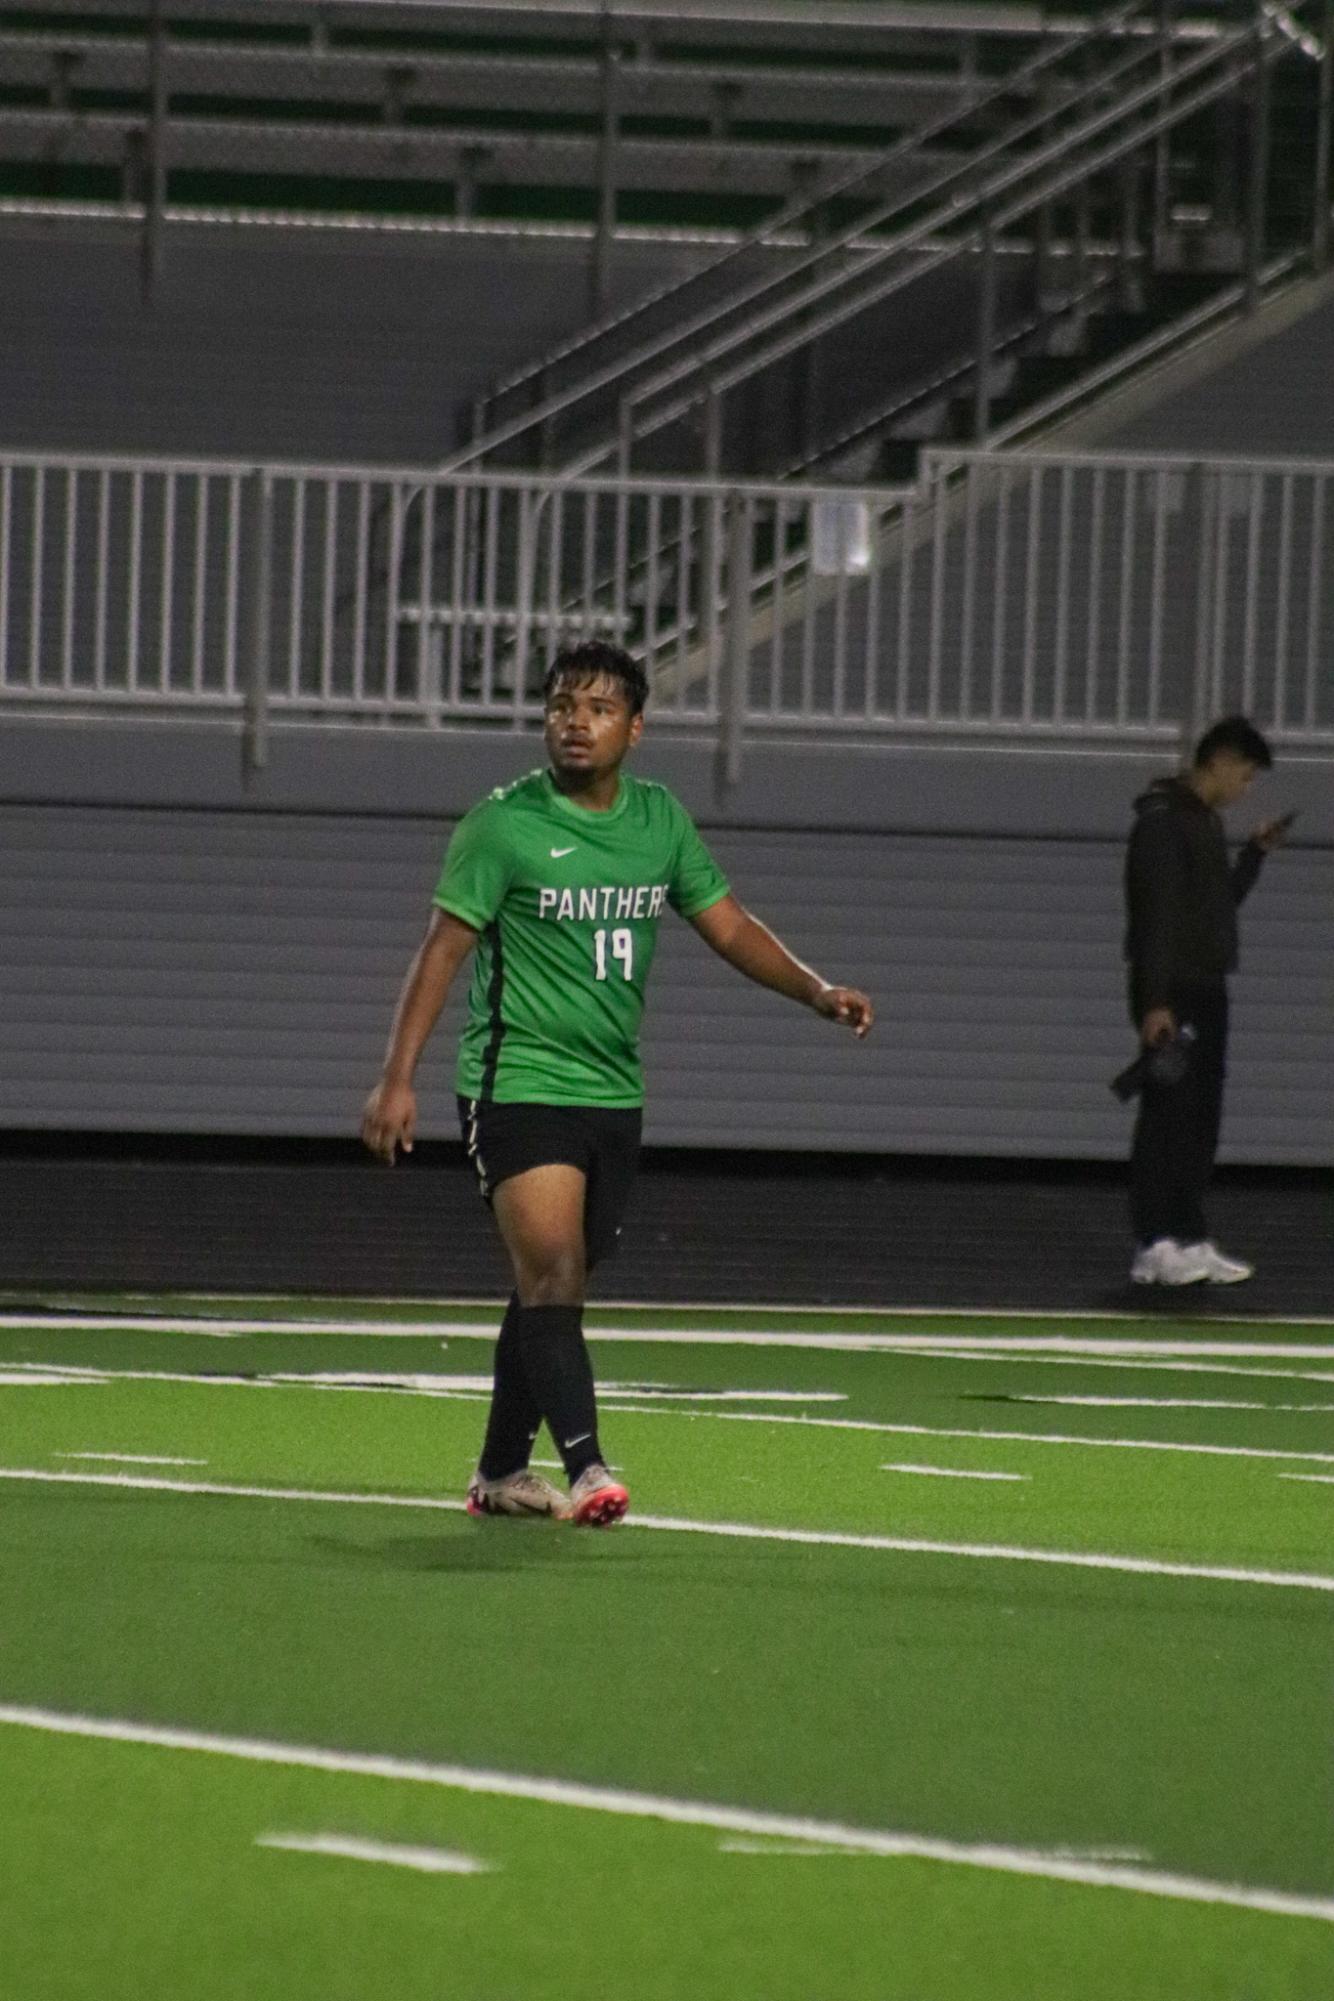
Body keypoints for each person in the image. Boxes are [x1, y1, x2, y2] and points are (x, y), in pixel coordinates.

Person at [360, 639, 874, 1526]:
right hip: (515, 1080)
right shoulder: (503, 824)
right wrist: (395, 1078)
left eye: (597, 708)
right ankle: (590, 1466)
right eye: (561, 706)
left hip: (611, 1091)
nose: (575, 722)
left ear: (635, 727)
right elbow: (441, 951)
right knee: (553, 1270)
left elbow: (728, 923)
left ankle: (497, 1472)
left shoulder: (660, 821)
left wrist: (815, 990)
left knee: (553, 1286)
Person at [1122, 714, 1290, 1287]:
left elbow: (1214, 909)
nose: (1245, 790)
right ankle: (1154, 1242)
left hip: (1206, 987)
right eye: (1244, 776)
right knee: (1167, 1116)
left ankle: (1187, 1235)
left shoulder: (1203, 825)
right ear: (1218, 761)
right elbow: (1156, 920)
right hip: (1175, 992)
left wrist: (1255, 856)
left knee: (1199, 1118)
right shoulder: (1164, 823)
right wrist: (1155, 1001)